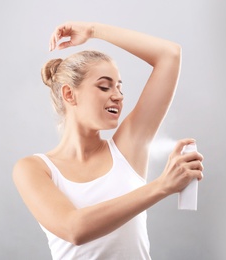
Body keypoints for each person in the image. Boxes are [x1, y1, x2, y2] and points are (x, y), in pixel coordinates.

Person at [13, 21, 204, 260]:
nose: (118, 96)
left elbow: (169, 55)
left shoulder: (127, 149)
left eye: (120, 89)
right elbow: (74, 229)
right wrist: (162, 186)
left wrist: (94, 31)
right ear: (70, 94)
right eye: (104, 87)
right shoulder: (33, 169)